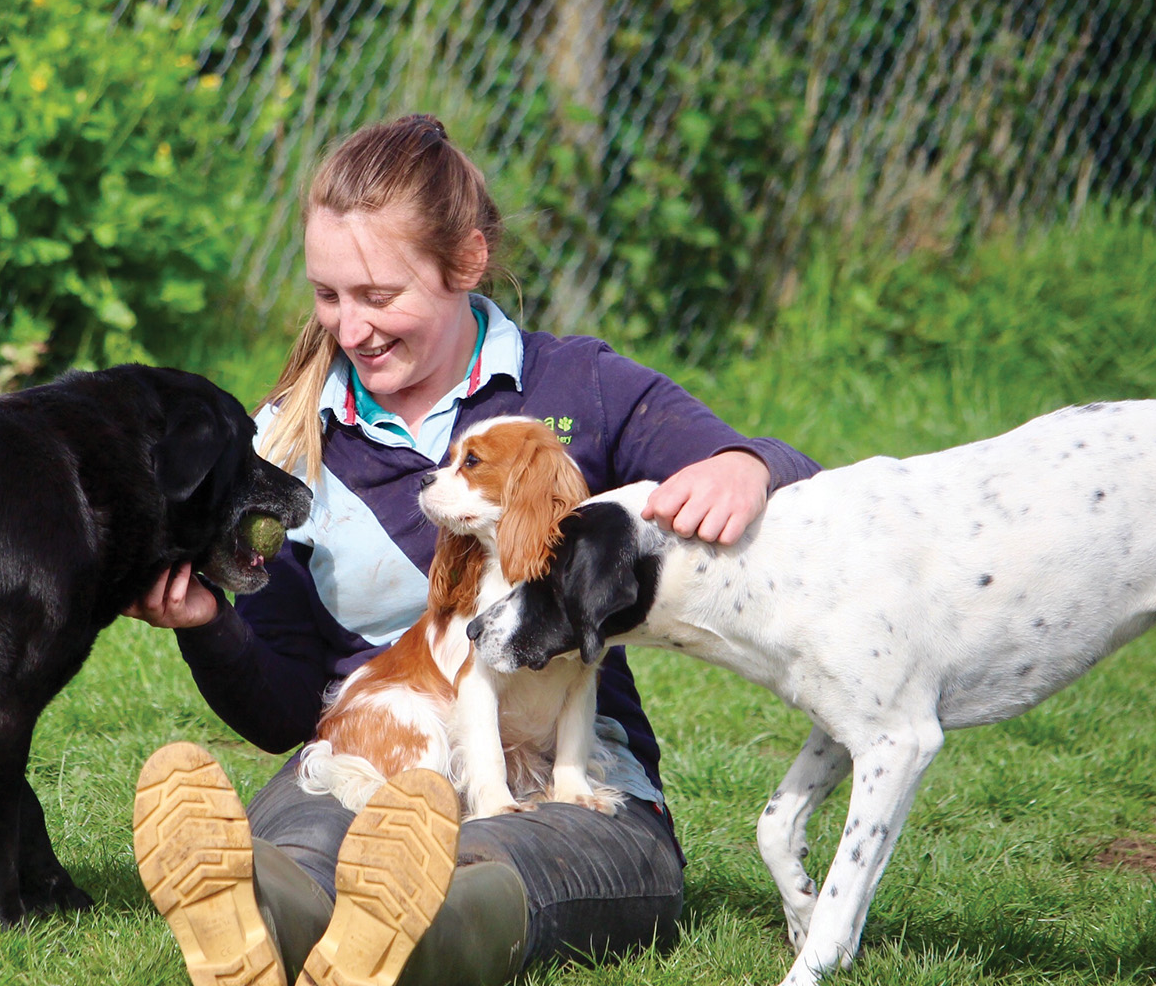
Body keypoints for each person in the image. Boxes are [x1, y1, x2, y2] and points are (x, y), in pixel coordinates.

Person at [125, 114, 821, 986]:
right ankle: (263, 907)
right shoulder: (286, 451)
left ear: (468, 263)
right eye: (328, 296)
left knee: (510, 854)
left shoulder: (575, 387)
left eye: (380, 296)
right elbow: (285, 709)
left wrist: (742, 465)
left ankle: (404, 933)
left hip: (570, 776)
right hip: (378, 750)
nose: (350, 328)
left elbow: (789, 472)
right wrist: (207, 625)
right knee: (311, 830)